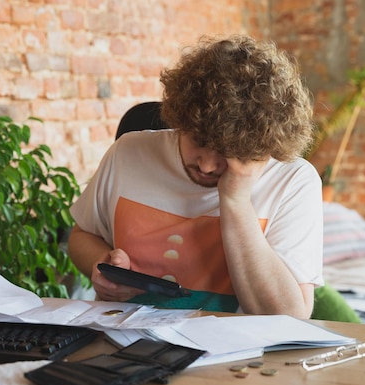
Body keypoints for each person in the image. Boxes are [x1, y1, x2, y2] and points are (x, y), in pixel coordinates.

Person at [67, 34, 323, 319]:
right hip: (122, 340)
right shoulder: (128, 153)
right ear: (181, 118)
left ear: (261, 148)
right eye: (198, 140)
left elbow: (289, 317)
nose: (207, 165)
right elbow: (82, 235)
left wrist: (235, 200)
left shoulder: (293, 181)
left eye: (228, 152)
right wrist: (100, 264)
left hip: (236, 357)